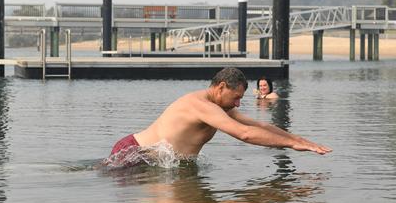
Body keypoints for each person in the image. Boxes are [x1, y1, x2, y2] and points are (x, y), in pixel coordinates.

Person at [105, 67, 331, 166]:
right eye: (236, 97)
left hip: (152, 160)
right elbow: (244, 134)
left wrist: (300, 140)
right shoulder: (201, 105)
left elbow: (258, 124)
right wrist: (291, 145)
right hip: (133, 154)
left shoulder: (220, 106)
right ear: (221, 87)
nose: (238, 103)